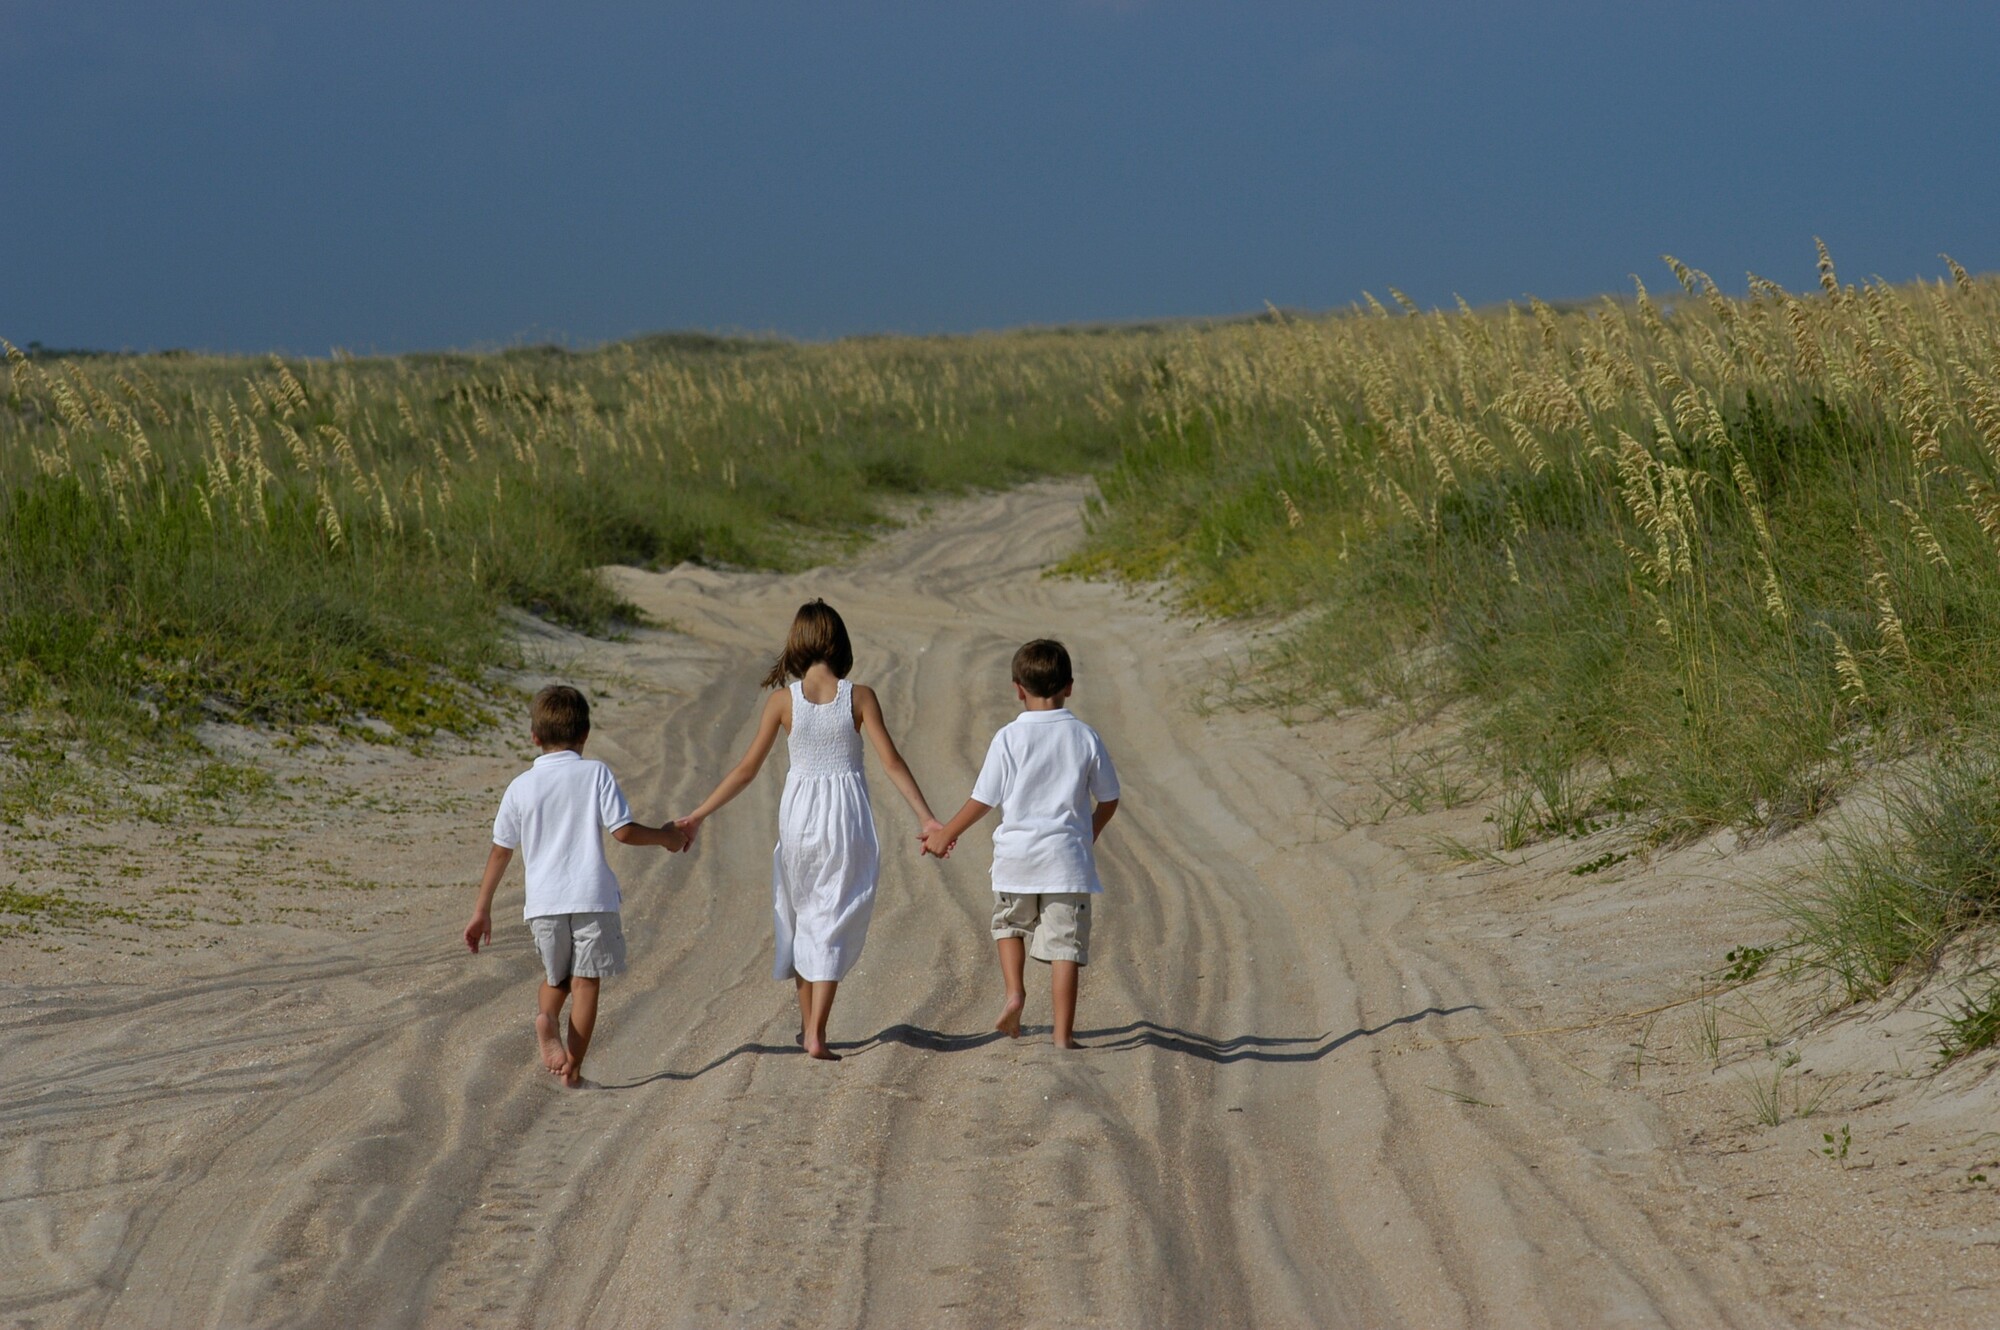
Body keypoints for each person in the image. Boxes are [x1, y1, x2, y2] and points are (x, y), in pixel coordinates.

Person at [677, 599, 943, 1061]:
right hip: (846, 818)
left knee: (803, 913)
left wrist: (698, 814)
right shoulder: (859, 697)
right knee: (834, 915)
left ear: (796, 644)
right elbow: (892, 762)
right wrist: (927, 817)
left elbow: (745, 770)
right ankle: (817, 1030)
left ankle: (808, 1029)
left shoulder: (784, 702)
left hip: (798, 819)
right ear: (840, 644)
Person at [463, 684, 687, 1087]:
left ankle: (546, 1018)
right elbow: (622, 833)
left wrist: (482, 909)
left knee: (557, 979)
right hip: (591, 897)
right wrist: (666, 836)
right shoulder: (595, 772)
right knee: (585, 983)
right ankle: (574, 1068)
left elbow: (501, 851)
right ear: (584, 735)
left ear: (534, 737)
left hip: (544, 904)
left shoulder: (520, 786)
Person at [923, 639, 1119, 1050]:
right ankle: (1063, 1037)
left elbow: (984, 799)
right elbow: (1110, 797)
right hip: (1067, 863)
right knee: (1065, 947)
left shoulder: (1008, 738)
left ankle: (1015, 993)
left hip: (1017, 860)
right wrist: (1088, 834)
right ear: (1069, 686)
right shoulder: (1085, 736)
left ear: (1017, 688)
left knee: (1009, 926)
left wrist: (946, 833)